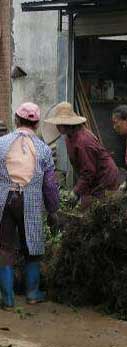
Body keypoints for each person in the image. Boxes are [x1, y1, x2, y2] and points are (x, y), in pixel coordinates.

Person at [0, 103, 59, 308]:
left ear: (16, 120)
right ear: (36, 124)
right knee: (32, 248)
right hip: (30, 201)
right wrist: (53, 210)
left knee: (4, 248)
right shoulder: (43, 148)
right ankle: (32, 293)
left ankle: (7, 298)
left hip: (3, 200)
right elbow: (50, 185)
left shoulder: (1, 143)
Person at [44, 102, 120, 208]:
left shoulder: (83, 141)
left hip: (104, 177)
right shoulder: (69, 137)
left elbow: (88, 171)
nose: (56, 127)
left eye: (59, 124)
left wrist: (76, 191)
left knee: (100, 208)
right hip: (94, 175)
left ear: (66, 125)